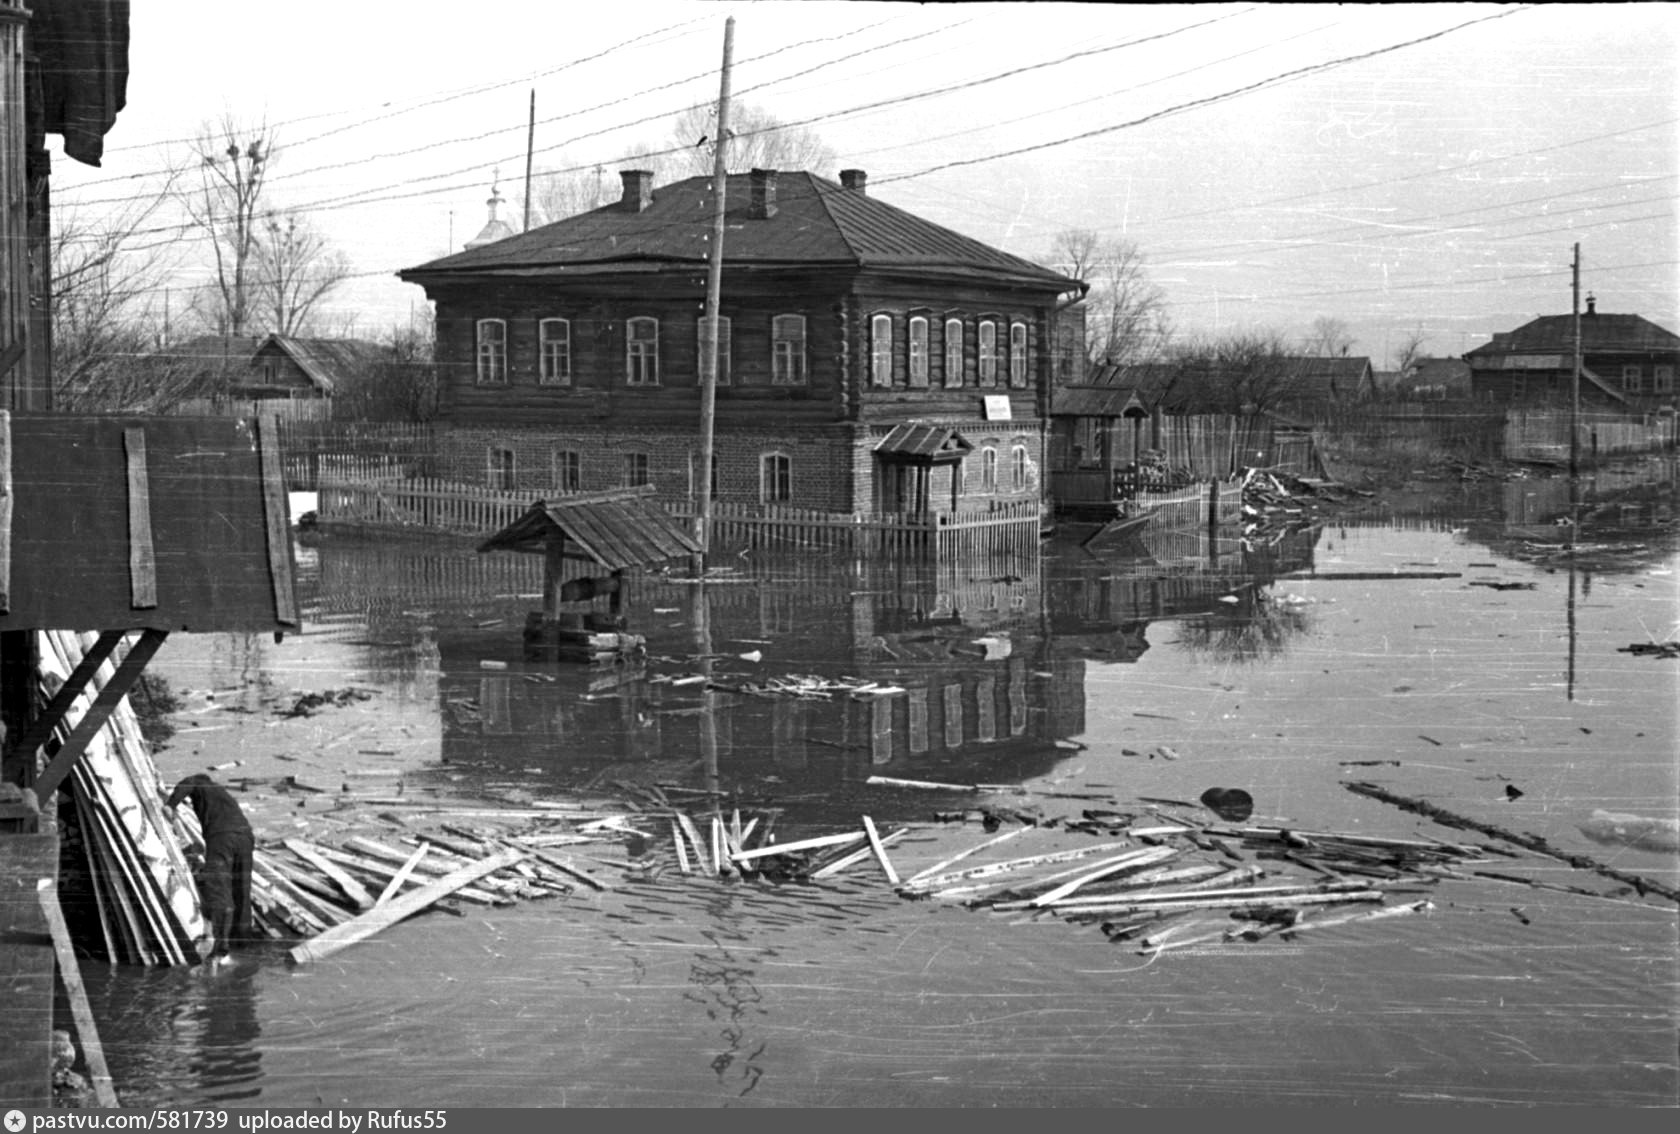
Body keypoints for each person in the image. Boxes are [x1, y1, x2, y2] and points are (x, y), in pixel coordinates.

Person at [165, 773, 254, 959]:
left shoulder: (198, 783)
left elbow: (187, 783)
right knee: (241, 889)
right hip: (245, 836)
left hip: (222, 837)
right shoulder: (221, 792)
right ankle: (243, 942)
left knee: (219, 889)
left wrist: (170, 805)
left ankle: (220, 949)